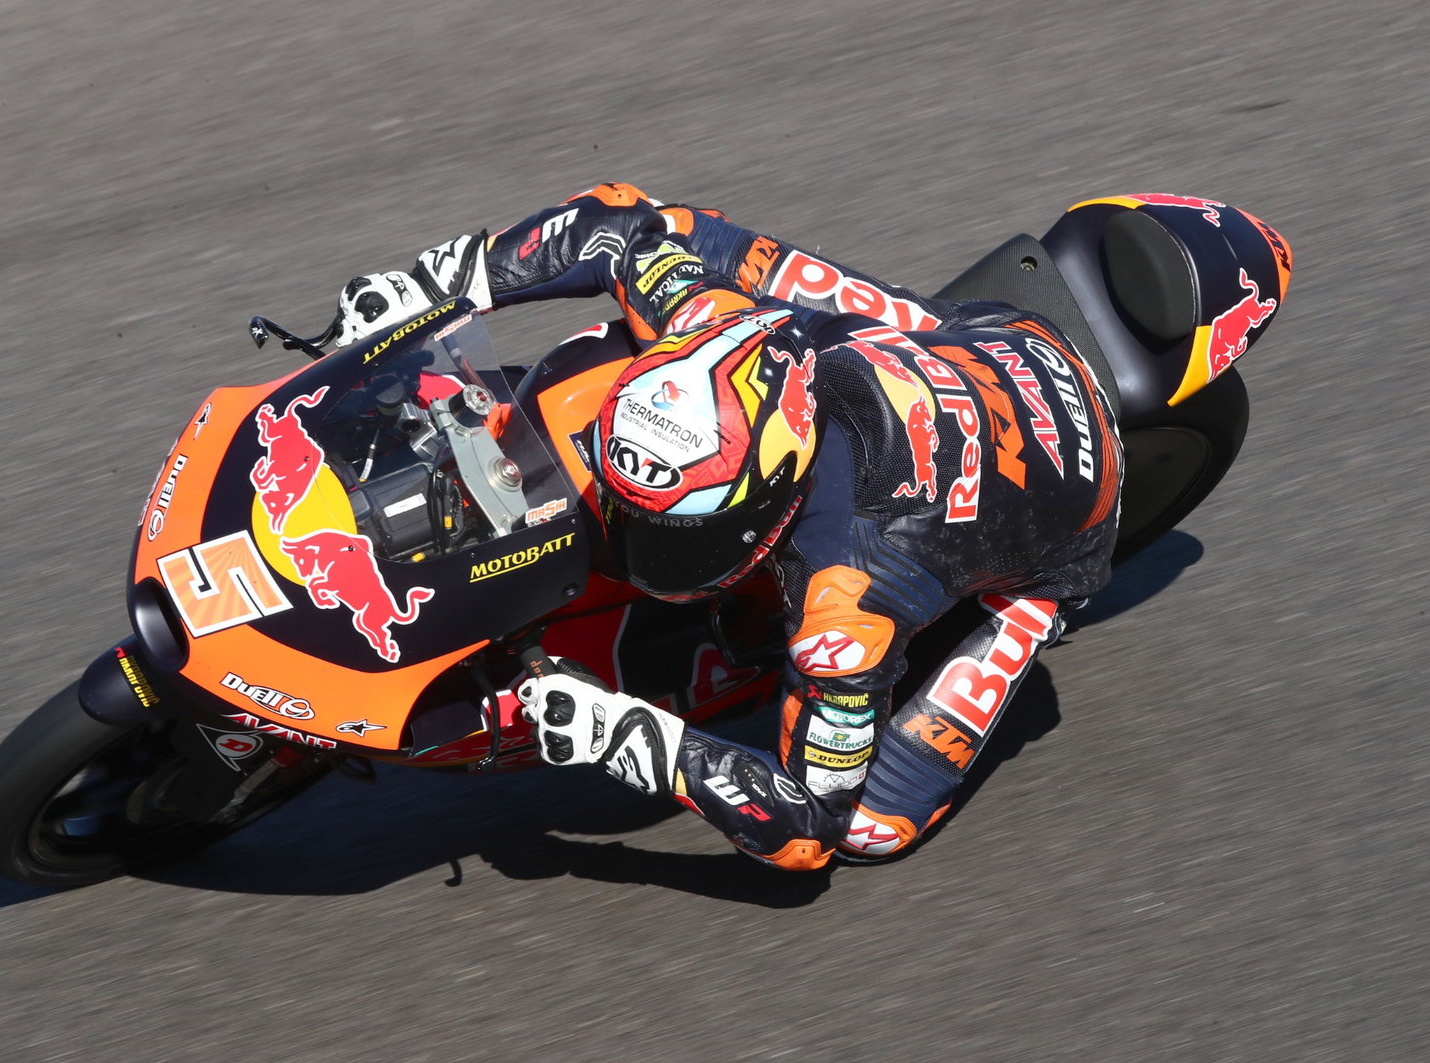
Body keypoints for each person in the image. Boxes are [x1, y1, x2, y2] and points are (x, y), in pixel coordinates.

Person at [332, 182, 1122, 870]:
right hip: (979, 339)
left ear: (765, 508)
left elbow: (808, 824)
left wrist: (634, 740)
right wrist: (431, 284)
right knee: (675, 229)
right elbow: (615, 225)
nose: (635, 543)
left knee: (872, 827)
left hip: (1077, 504)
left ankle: (1016, 612)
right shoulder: (707, 321)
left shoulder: (846, 603)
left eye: (674, 533)